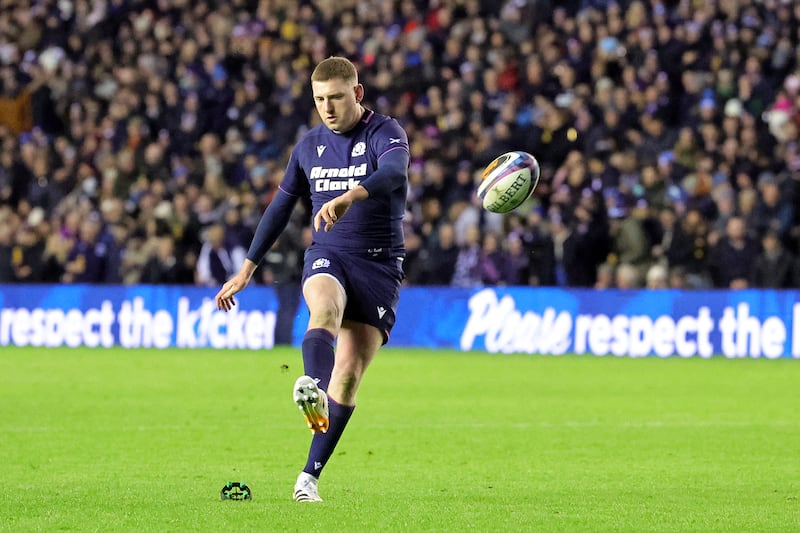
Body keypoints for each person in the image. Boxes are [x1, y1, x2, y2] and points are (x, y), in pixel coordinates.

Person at [214, 57, 409, 503]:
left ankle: (308, 478)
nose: (328, 107)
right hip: (329, 254)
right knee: (324, 308)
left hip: (379, 267)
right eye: (320, 99)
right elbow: (280, 208)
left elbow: (394, 173)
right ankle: (310, 386)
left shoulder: (386, 133)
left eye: (337, 97)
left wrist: (350, 195)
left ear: (356, 94)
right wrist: (248, 267)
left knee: (349, 377)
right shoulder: (308, 146)